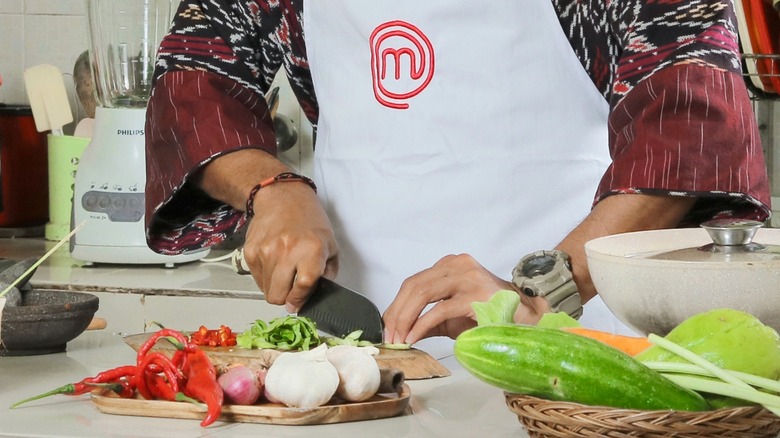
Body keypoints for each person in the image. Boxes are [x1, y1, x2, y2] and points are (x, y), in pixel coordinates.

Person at [145, 0, 770, 350]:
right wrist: (270, 190)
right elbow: (196, 80)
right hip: (357, 359)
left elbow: (691, 124)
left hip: (567, 347)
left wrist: (538, 292)